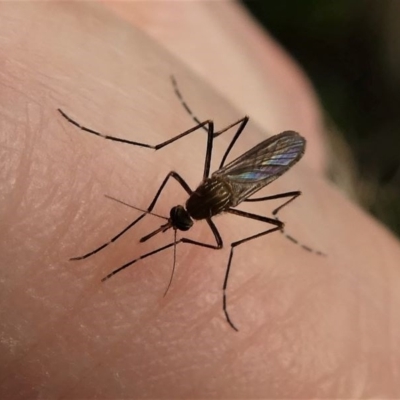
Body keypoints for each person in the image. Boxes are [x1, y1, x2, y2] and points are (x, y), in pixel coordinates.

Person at [1, 2, 400, 398]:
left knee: (268, 217)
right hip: (234, 181)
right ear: (186, 210)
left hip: (243, 179)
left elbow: (218, 240)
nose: (176, 216)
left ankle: (275, 233)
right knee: (215, 147)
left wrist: (221, 287)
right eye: (179, 216)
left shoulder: (197, 201)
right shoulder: (199, 207)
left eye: (179, 217)